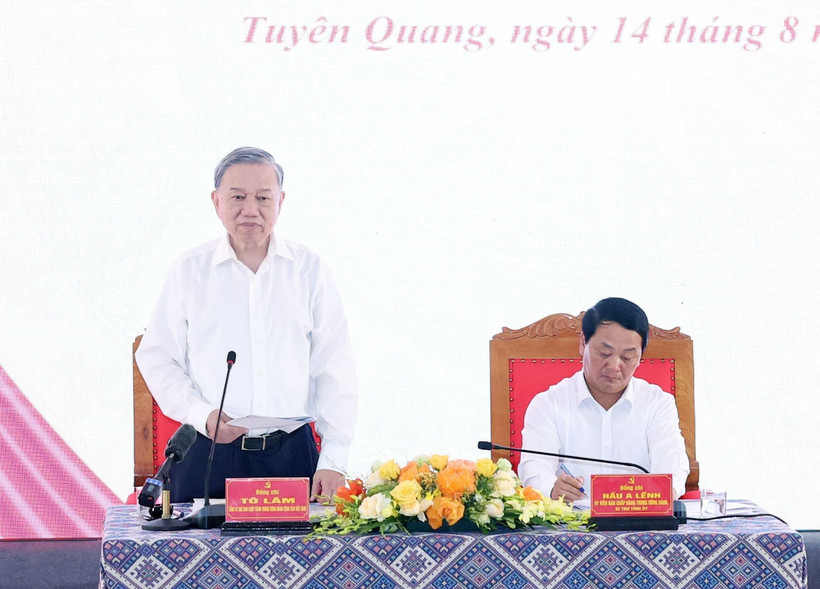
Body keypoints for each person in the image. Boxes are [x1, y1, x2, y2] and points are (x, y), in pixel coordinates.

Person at [135, 147, 357, 503]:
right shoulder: (190, 270)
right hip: (208, 454)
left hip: (291, 456)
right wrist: (201, 414)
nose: (250, 209)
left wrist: (334, 458)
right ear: (216, 201)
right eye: (237, 197)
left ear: (280, 201)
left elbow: (335, 368)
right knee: (197, 558)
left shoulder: (309, 270)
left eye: (263, 197)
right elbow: (157, 357)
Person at [518, 297, 689, 502]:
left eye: (627, 357)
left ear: (641, 355)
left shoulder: (658, 404)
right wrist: (551, 489)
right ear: (583, 343)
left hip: (641, 527)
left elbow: (672, 470)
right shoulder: (547, 404)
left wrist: (663, 492)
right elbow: (534, 470)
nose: (614, 365)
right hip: (569, 528)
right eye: (604, 353)